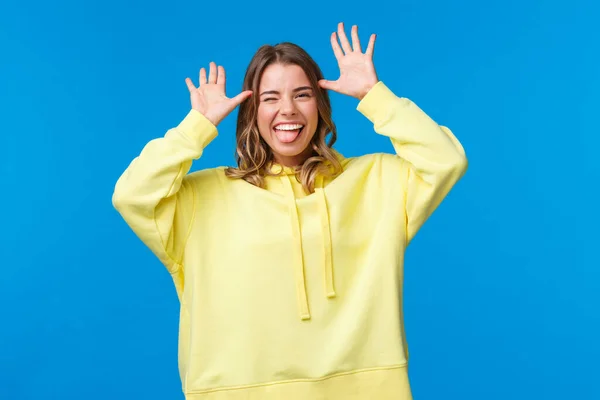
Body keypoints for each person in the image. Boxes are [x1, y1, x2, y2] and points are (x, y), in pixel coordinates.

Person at [112, 22, 468, 400]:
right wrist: (197, 126)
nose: (288, 110)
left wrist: (373, 96)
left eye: (302, 95)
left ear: (320, 103)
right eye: (270, 98)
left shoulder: (375, 181)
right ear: (251, 111)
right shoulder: (203, 196)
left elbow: (445, 159)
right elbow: (132, 195)